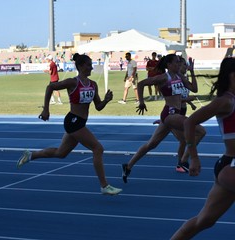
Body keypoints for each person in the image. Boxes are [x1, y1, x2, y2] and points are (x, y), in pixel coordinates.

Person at [17, 53, 122, 196]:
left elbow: (98, 106)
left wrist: (106, 100)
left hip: (80, 122)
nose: (91, 67)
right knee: (98, 148)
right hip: (73, 122)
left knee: (61, 153)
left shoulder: (93, 85)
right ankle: (104, 185)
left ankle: (31, 155)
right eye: (89, 64)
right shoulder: (73, 82)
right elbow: (50, 87)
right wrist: (46, 109)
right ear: (80, 66)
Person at [171, 57, 235, 239]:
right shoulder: (225, 101)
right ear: (231, 75)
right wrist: (194, 157)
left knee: (205, 221)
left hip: (227, 168)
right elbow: (190, 122)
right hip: (231, 166)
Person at [122, 54, 206, 183]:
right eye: (177, 62)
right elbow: (142, 84)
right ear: (169, 65)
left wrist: (193, 72)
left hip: (174, 115)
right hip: (170, 114)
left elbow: (194, 89)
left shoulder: (180, 77)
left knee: (152, 144)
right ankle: (183, 161)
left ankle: (128, 166)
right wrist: (141, 102)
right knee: (200, 131)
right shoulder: (162, 78)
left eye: (179, 62)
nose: (179, 65)